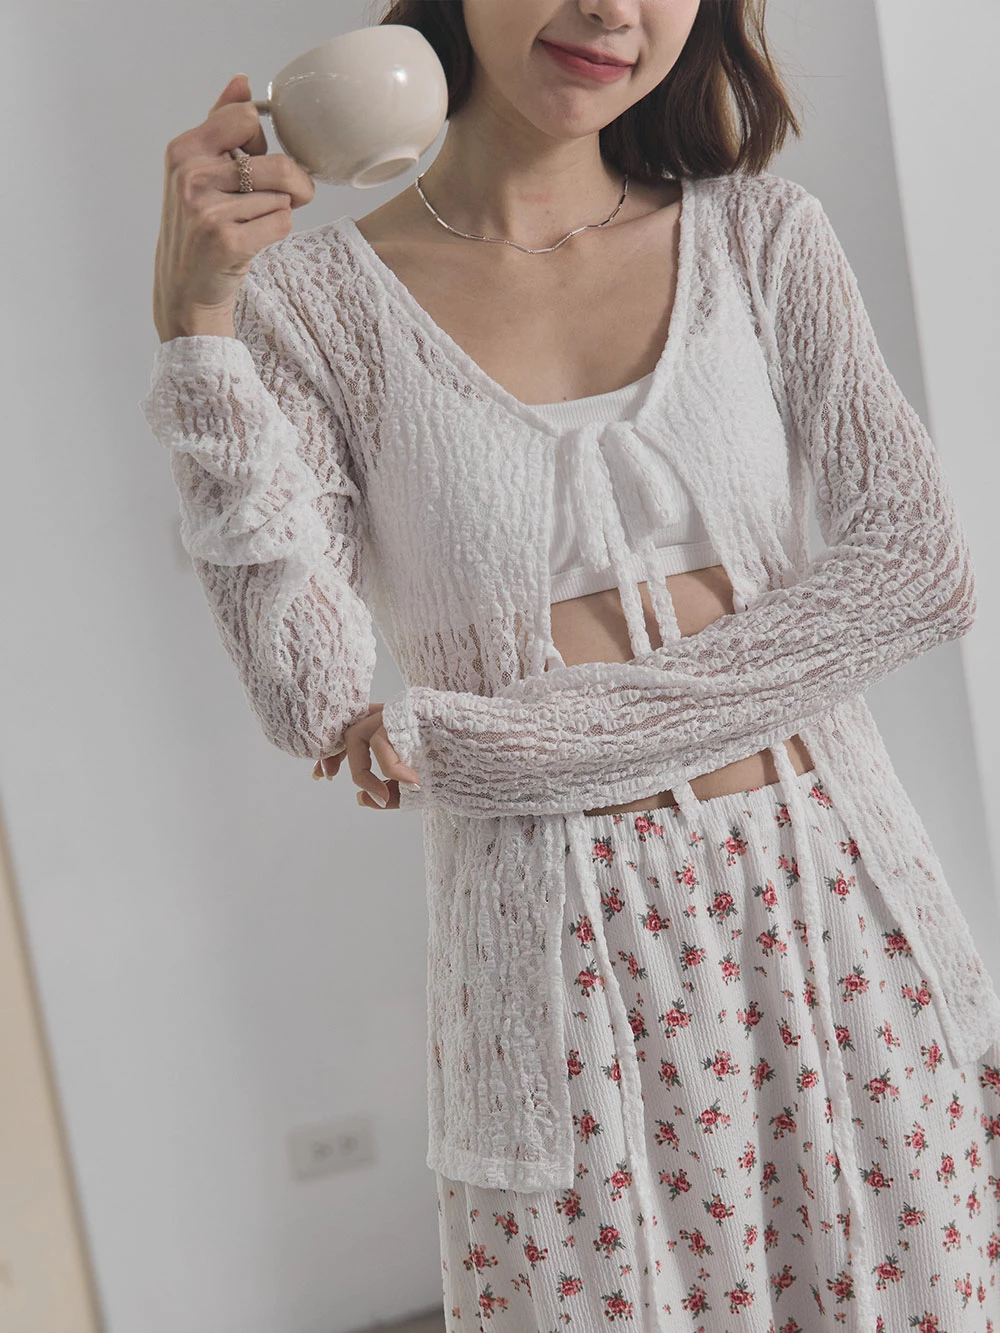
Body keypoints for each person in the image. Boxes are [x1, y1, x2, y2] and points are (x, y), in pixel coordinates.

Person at [142, 1, 1000, 1328]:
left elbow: (916, 570)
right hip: (553, 979)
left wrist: (503, 746)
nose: (612, 9)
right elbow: (312, 694)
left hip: (834, 915)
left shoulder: (761, 235)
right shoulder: (315, 305)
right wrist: (201, 329)